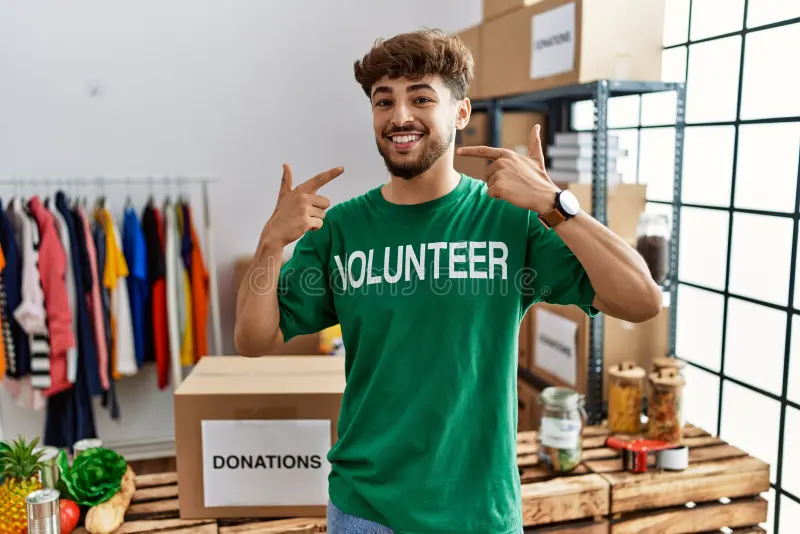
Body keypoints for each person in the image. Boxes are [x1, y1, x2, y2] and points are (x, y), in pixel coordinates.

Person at [235, 28, 662, 534]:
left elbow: (642, 301)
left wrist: (556, 205)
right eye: (383, 101)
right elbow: (253, 339)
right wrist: (269, 246)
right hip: (366, 513)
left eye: (421, 98)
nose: (399, 117)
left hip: (480, 513)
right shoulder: (342, 230)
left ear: (461, 112)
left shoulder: (509, 221)